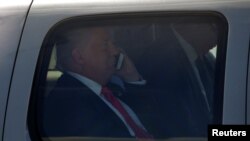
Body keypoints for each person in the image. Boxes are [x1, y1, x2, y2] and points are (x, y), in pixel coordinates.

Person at [41, 26, 154, 140]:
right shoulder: (70, 107)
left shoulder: (107, 89)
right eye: (105, 45)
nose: (115, 51)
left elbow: (152, 120)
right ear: (79, 57)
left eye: (113, 44)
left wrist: (131, 77)